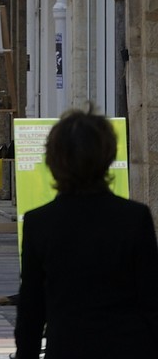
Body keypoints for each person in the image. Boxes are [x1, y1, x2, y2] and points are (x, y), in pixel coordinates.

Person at [15, 109, 158, 358]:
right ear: (107, 155)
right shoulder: (134, 217)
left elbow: (31, 308)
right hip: (128, 347)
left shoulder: (39, 222)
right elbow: (151, 298)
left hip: (68, 347)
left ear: (54, 160)